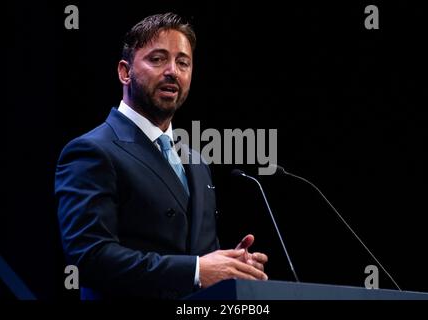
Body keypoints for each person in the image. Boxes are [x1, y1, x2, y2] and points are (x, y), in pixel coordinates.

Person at [55, 12, 268, 299]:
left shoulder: (197, 162)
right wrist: (195, 270)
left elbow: (197, 257)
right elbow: (91, 257)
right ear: (124, 72)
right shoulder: (92, 151)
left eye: (183, 62)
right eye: (157, 59)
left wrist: (229, 266)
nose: (172, 71)